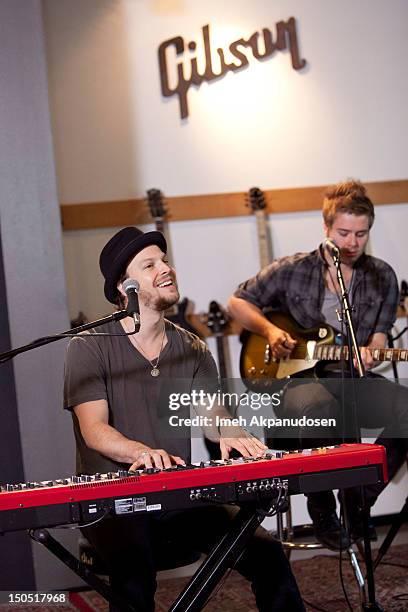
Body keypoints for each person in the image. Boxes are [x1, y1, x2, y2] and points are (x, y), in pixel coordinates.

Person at [64, 226, 305, 612]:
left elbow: (213, 415)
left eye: (165, 259)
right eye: (149, 264)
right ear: (124, 289)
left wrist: (232, 434)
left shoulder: (191, 347)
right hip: (110, 500)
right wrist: (143, 452)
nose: (166, 268)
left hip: (175, 495)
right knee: (134, 574)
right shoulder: (89, 345)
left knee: (265, 553)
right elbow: (94, 431)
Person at [228, 179, 408, 550]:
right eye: (343, 232)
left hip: (348, 375)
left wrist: (374, 346)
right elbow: (237, 303)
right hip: (295, 382)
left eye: (361, 234)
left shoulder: (382, 276)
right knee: (319, 407)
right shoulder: (291, 270)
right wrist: (270, 330)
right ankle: (322, 509)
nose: (352, 242)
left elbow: (379, 332)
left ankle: (361, 497)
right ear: (326, 228)